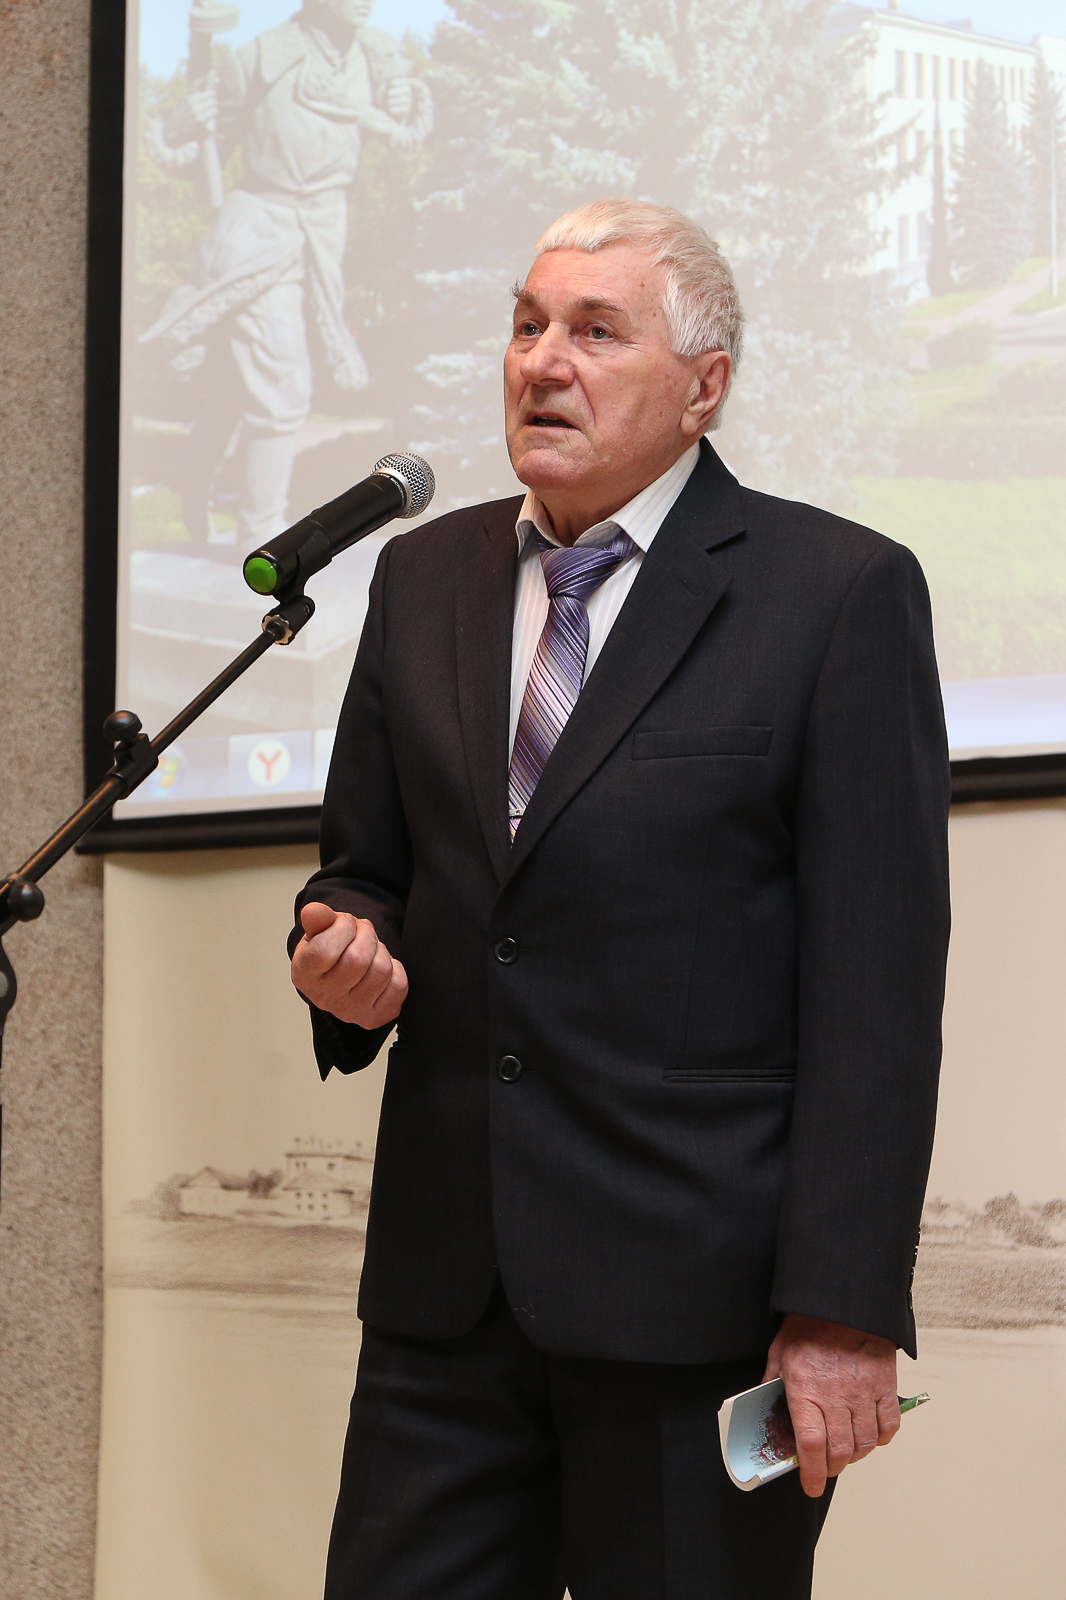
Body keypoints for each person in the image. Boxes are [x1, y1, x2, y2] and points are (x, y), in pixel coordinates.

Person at [289, 198, 951, 1599]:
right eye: (528, 325)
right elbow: (366, 872)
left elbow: (875, 991)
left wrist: (839, 1310)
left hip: (696, 1315)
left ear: (703, 387)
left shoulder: (835, 593)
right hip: (444, 1305)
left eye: (595, 332)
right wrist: (346, 955)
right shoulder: (420, 578)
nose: (542, 361)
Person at [142, 0, 432, 550]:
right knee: (281, 386)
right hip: (259, 233)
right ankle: (262, 533)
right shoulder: (257, 58)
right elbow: (203, 149)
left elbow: (400, 134)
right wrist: (182, 125)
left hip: (321, 234)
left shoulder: (373, 58)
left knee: (244, 381)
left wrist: (406, 99)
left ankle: (191, 472)